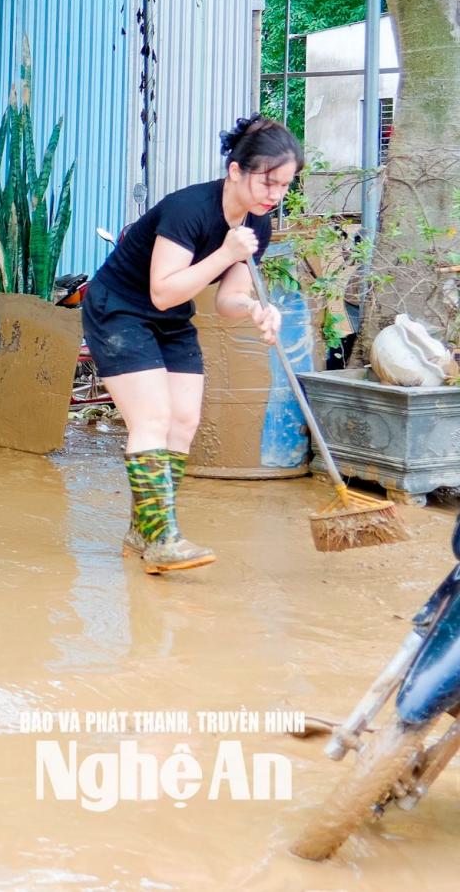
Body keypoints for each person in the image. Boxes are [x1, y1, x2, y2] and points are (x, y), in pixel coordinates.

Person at [83, 115, 298, 575]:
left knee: (183, 420)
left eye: (284, 185)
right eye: (268, 182)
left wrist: (258, 308)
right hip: (119, 308)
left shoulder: (256, 227)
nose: (275, 195)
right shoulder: (189, 209)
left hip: (171, 318)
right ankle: (163, 538)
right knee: (152, 418)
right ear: (236, 170)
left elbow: (227, 300)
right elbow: (162, 290)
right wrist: (225, 252)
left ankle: (144, 531)